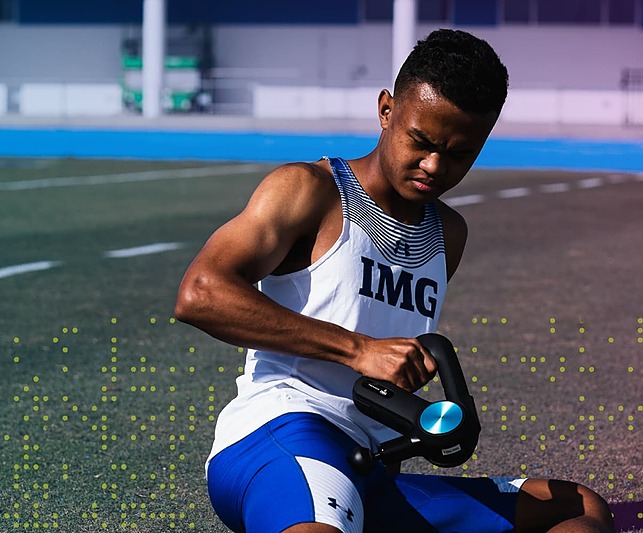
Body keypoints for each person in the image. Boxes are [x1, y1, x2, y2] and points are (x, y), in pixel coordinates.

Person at [175, 28, 615, 533]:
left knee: (577, 508)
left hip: (369, 467)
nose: (434, 166)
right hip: (283, 432)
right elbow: (201, 294)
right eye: (421, 142)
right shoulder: (309, 190)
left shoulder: (448, 231)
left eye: (458, 154)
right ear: (386, 111)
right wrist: (358, 349)